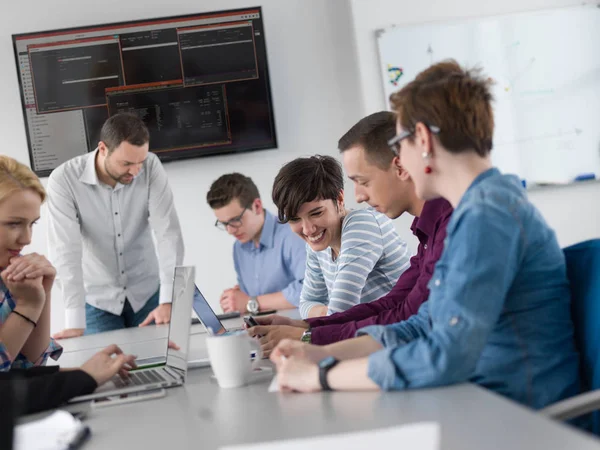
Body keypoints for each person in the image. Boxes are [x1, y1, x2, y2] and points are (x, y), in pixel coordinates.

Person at [270, 60, 580, 410]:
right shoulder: (472, 213)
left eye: (399, 147)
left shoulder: (487, 217)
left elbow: (446, 354)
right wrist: (319, 353)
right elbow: (420, 326)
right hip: (475, 400)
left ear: (422, 140)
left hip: (515, 415)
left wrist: (320, 377)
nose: (398, 161)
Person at [248, 112, 452, 355]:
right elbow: (395, 304)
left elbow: (407, 316)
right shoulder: (427, 229)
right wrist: (305, 325)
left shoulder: (448, 221)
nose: (360, 196)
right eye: (295, 219)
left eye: (363, 181)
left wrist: (308, 337)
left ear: (400, 167)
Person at [0, 156, 136, 415]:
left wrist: (43, 291)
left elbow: (31, 361)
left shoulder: (6, 271)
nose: (27, 239)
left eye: (32, 224)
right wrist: (29, 305)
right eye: (14, 224)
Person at [47, 113, 184, 338]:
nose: (135, 171)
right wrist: (74, 320)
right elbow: (65, 251)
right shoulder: (63, 180)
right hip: (97, 300)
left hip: (147, 293)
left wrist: (169, 299)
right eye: (126, 163)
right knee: (107, 370)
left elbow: (168, 234)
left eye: (140, 161)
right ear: (103, 149)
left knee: (162, 365)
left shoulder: (150, 166)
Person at [271, 155, 410, 321]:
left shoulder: (363, 225)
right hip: (374, 336)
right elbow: (306, 303)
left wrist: (327, 314)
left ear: (340, 199)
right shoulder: (318, 245)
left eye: (316, 213)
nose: (308, 230)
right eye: (295, 219)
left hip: (407, 334)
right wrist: (326, 313)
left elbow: (339, 315)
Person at [207, 173, 306, 314]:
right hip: (263, 329)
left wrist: (251, 302)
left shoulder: (292, 233)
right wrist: (235, 300)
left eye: (235, 220)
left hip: (298, 330)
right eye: (224, 224)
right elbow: (250, 298)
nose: (230, 230)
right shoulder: (239, 247)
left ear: (257, 206)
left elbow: (310, 290)